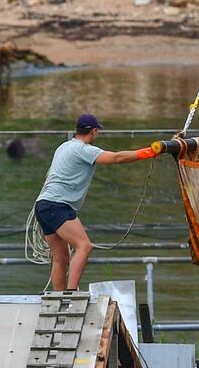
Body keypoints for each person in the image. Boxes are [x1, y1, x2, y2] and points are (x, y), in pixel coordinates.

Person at [34, 114, 154, 291]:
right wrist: (150, 152)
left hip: (43, 204)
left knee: (61, 258)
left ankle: (58, 297)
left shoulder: (63, 147)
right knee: (84, 246)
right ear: (94, 131)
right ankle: (71, 293)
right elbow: (116, 158)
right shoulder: (84, 150)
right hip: (57, 205)